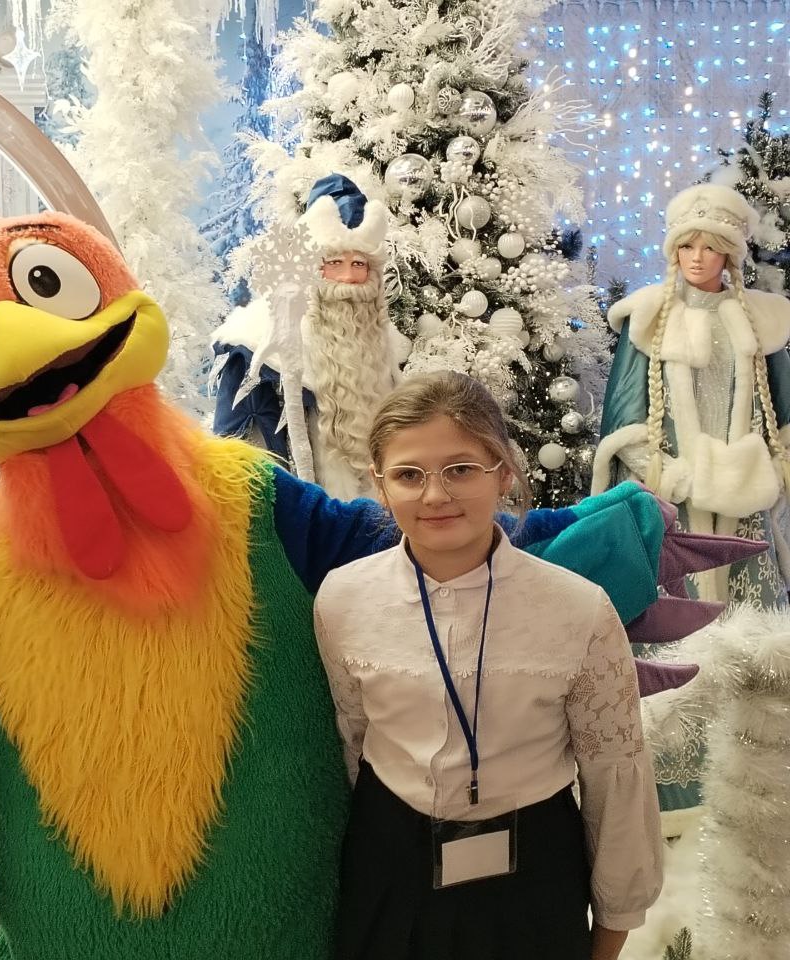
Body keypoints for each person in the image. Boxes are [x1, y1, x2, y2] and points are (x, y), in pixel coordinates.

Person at [316, 371, 662, 960]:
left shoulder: (577, 609)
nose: (435, 495)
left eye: (460, 469)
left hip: (531, 871)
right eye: (408, 475)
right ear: (380, 484)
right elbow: (354, 736)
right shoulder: (342, 599)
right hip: (388, 860)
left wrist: (612, 927)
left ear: (503, 472)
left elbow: (615, 772)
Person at [593, 183, 790, 608]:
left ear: (729, 254)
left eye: (709, 247)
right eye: (686, 246)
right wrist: (668, 474)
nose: (696, 258)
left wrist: (772, 471)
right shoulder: (650, 315)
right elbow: (625, 411)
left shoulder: (762, 318)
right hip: (673, 486)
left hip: (743, 489)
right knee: (677, 594)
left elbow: (782, 406)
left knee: (749, 612)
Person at [212, 172, 410, 498]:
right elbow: (238, 466)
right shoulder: (256, 348)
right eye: (335, 262)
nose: (348, 278)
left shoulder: (378, 343)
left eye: (359, 264)